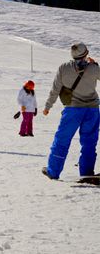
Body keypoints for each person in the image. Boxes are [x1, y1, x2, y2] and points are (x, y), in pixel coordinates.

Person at [42, 42, 99, 180]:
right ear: (86, 54)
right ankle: (86, 173)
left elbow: (55, 90)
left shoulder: (64, 68)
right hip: (92, 110)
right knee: (89, 142)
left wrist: (47, 107)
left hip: (72, 110)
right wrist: (95, 65)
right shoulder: (93, 68)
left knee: (62, 139)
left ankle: (53, 171)